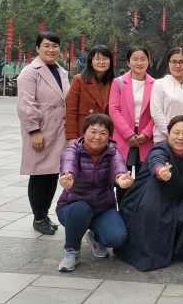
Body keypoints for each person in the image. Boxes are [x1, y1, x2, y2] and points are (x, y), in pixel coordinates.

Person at [118, 116, 183, 271]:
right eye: (176, 132)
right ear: (168, 133)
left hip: (177, 198)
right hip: (149, 195)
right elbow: (157, 161)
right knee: (153, 211)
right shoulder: (160, 149)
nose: (180, 137)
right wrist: (161, 171)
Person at [56, 114, 133, 272]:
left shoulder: (113, 152)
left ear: (109, 136)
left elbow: (118, 167)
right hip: (72, 208)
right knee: (81, 210)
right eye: (93, 131)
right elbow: (69, 164)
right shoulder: (73, 150)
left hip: (102, 208)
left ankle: (95, 237)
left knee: (117, 238)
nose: (97, 137)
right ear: (84, 132)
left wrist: (121, 179)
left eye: (103, 133)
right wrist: (68, 176)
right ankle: (71, 251)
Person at [17, 32, 70, 235]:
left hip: (59, 132)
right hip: (41, 131)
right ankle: (38, 218)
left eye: (55, 46)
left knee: (52, 174)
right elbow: (25, 105)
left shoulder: (61, 71)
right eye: (46, 45)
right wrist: (34, 130)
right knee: (39, 175)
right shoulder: (30, 72)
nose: (51, 49)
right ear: (38, 48)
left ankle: (44, 214)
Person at [109, 47, 155, 204]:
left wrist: (146, 134)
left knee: (144, 180)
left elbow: (157, 112)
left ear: (148, 61)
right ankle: (122, 211)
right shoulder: (118, 83)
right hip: (123, 136)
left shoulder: (155, 84)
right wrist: (128, 134)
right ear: (128, 62)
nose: (139, 62)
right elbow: (114, 109)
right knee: (123, 177)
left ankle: (139, 213)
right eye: (135, 59)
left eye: (143, 59)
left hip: (145, 138)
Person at [151, 47, 183, 144]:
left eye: (181, 62)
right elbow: (156, 113)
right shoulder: (159, 84)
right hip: (164, 139)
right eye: (174, 62)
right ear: (168, 63)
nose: (178, 65)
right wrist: (171, 135)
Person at [65, 45, 114, 143]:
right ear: (91, 62)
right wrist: (71, 136)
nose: (101, 62)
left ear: (110, 62)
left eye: (105, 59)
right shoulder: (79, 80)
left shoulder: (114, 83)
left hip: (105, 135)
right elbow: (70, 111)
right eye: (97, 59)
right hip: (83, 133)